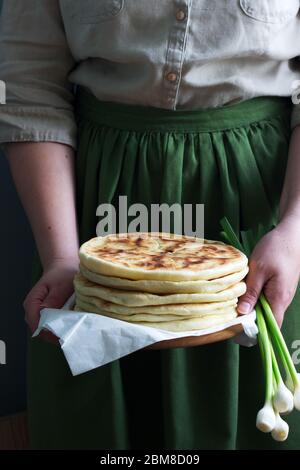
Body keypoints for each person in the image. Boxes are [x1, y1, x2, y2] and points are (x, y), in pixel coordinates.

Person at [1, 0, 300, 450]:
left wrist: (294, 230)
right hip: (95, 204)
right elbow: (29, 84)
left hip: (261, 202)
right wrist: (62, 257)